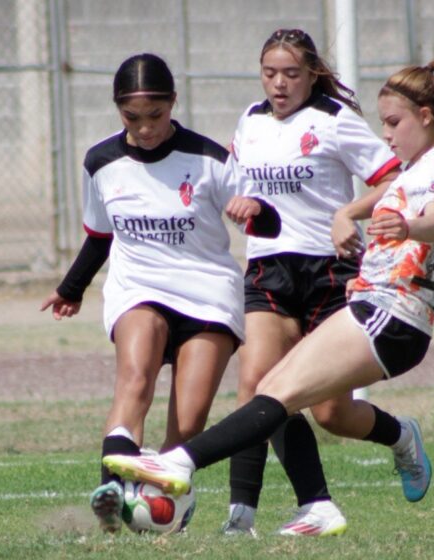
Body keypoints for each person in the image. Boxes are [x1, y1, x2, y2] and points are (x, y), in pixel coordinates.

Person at [102, 24, 434, 528]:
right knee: (270, 387)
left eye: (393, 123)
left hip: (374, 303)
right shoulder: (256, 123)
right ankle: (268, 509)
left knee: (310, 404)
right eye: (269, 73)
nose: (385, 134)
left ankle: (183, 462)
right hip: (308, 281)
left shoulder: (429, 163)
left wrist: (393, 223)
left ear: (424, 116)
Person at [40, 53, 280, 534]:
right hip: (140, 286)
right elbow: (100, 235)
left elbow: (269, 224)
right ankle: (112, 488)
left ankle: (165, 509)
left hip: (208, 293)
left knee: (187, 426)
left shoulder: (209, 159)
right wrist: (73, 288)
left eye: (156, 115)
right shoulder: (101, 162)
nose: (146, 128)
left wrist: (253, 206)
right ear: (117, 111)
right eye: (132, 117)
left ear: (173, 103)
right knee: (134, 380)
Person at [220, 28, 401, 537]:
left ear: (312, 74)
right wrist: (246, 207)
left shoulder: (334, 121)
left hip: (329, 271)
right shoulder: (251, 122)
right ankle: (243, 518)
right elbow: (243, 193)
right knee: (257, 388)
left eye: (291, 74)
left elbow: (392, 180)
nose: (279, 84)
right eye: (270, 73)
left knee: (330, 412)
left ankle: (401, 437)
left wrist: (349, 211)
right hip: (269, 268)